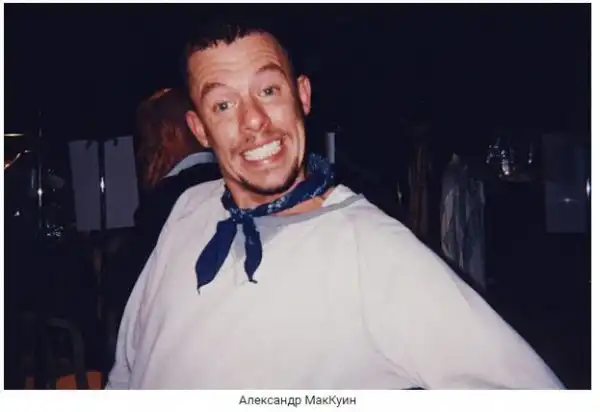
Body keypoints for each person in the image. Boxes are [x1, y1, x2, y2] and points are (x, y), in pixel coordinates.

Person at [107, 19, 563, 390]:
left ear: (302, 96)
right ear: (200, 129)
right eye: (223, 105)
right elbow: (127, 373)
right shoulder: (189, 208)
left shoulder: (370, 249)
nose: (254, 122)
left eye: (269, 91)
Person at [105, 88, 221, 334]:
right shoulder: (232, 183)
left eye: (148, 138)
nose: (143, 152)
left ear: (171, 133)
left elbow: (129, 286)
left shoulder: (166, 198)